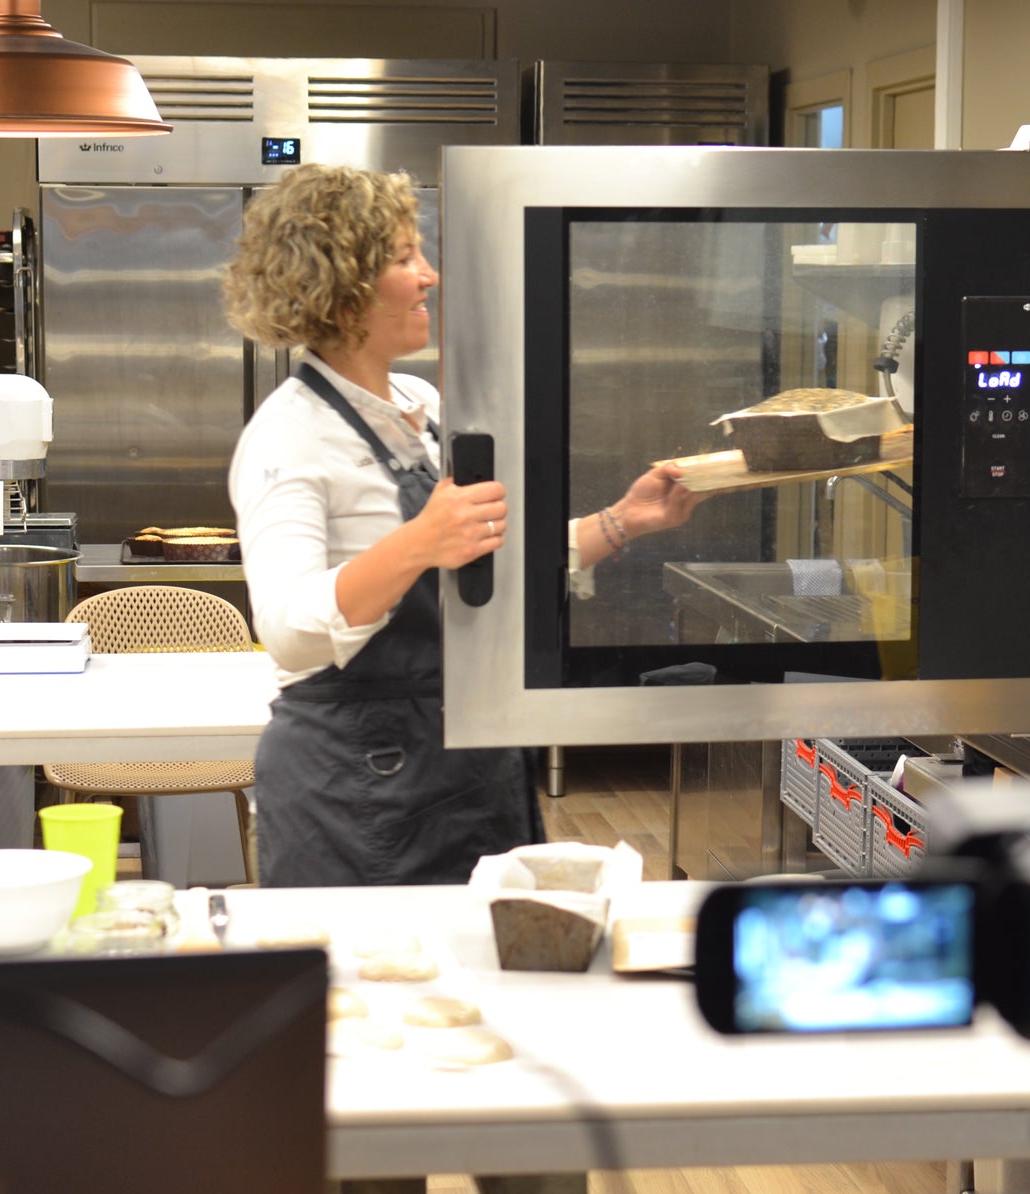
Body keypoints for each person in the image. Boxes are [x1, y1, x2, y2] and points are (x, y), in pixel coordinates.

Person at [225, 163, 697, 890]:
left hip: (468, 758)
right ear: (341, 284)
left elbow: (483, 560)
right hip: (357, 780)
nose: (430, 275)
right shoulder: (288, 436)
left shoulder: (421, 404)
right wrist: (419, 541)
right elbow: (288, 627)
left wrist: (623, 521)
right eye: (405, 257)